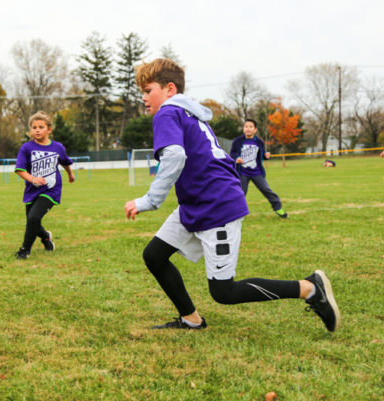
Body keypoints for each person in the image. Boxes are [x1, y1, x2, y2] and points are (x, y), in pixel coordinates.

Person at [124, 58, 340, 332]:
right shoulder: (188, 113)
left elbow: (175, 156)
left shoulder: (167, 112)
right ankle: (191, 319)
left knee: (223, 291)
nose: (144, 98)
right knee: (155, 255)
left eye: (147, 90)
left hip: (216, 206)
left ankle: (310, 288)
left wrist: (149, 201)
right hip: (197, 202)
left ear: (169, 89)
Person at [14, 111, 75, 260]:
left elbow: (65, 162)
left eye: (41, 127)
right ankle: (46, 237)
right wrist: (33, 179)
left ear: (49, 129)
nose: (37, 130)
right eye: (34, 127)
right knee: (32, 220)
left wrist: (70, 174)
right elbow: (20, 170)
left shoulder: (58, 147)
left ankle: (24, 250)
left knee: (34, 218)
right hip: (32, 190)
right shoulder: (26, 148)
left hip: (51, 190)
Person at [230, 119, 287, 218]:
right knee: (240, 194)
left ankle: (278, 208)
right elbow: (233, 153)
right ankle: (236, 214)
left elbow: (262, 155)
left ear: (255, 129)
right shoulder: (237, 141)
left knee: (267, 190)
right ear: (243, 129)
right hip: (242, 173)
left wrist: (266, 156)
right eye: (246, 126)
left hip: (257, 172)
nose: (248, 128)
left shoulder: (259, 142)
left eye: (250, 127)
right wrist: (237, 158)